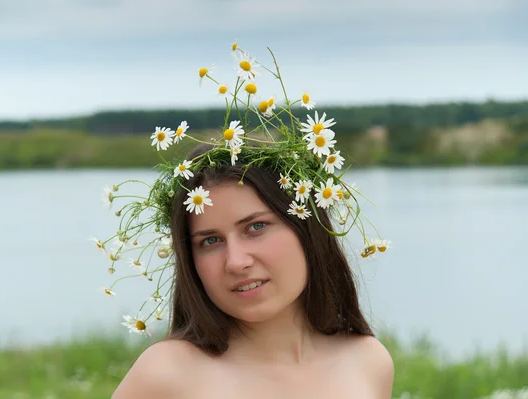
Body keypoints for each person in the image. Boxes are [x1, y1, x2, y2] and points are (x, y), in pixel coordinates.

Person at [98, 42, 393, 398]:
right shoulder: (166, 376)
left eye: (256, 227)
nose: (236, 262)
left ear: (307, 228)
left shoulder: (367, 363)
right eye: (210, 241)